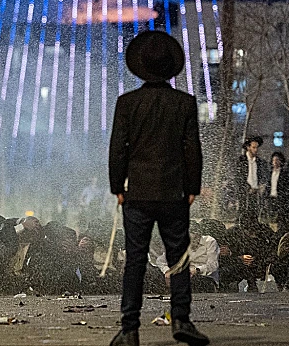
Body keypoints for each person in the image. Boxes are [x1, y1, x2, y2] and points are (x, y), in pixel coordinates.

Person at [108, 30, 209, 346]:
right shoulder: (185, 103)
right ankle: (181, 319)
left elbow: (118, 149)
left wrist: (117, 186)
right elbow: (192, 148)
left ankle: (129, 329)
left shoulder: (127, 103)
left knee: (135, 260)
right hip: (173, 193)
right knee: (178, 258)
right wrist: (192, 186)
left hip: (137, 193)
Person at [236, 136, 268, 220]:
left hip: (256, 192)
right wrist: (247, 188)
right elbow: (239, 177)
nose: (256, 150)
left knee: (254, 214)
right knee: (242, 214)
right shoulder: (241, 160)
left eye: (257, 147)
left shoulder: (259, 162)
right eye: (253, 147)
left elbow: (262, 175)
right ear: (248, 147)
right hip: (244, 192)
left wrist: (261, 185)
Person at [266, 152, 289, 233]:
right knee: (271, 218)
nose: (275, 162)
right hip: (271, 198)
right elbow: (268, 186)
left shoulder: (284, 174)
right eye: (274, 160)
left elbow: (287, 188)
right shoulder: (270, 173)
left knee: (281, 218)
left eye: (277, 160)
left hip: (280, 199)